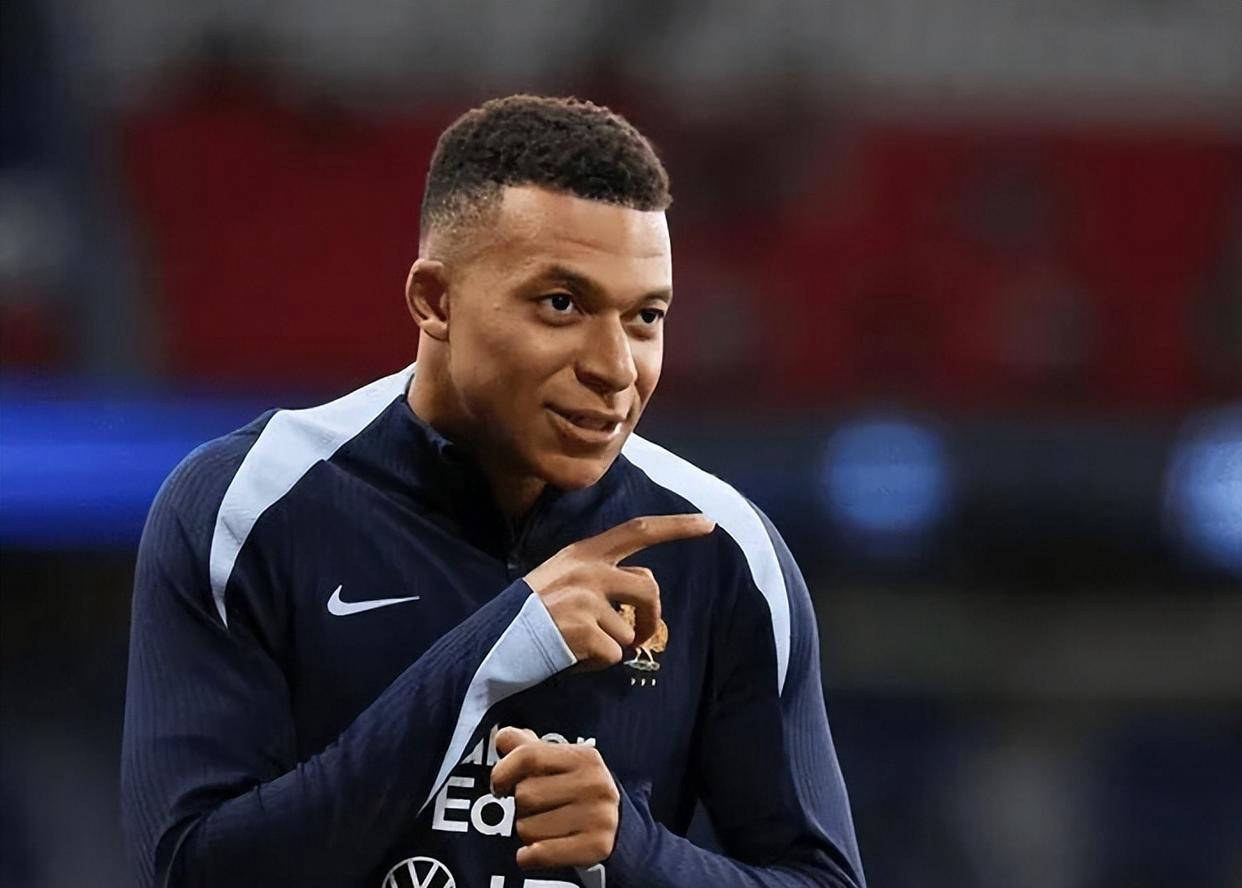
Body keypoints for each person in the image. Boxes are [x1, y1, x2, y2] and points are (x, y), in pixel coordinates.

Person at [121, 94, 866, 888]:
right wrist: (500, 647)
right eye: (562, 304)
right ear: (435, 301)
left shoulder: (724, 552)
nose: (615, 368)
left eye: (646, 317)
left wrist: (638, 853)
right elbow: (191, 871)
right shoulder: (244, 507)